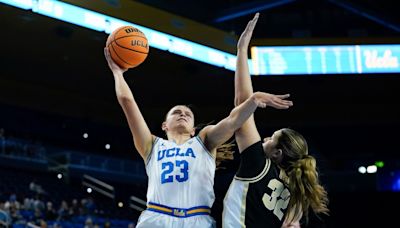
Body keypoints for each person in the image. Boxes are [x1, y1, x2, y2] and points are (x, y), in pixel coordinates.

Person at [104, 47, 292, 228]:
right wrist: (117, 73)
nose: (183, 114)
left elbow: (234, 121)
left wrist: (253, 100)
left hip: (197, 219)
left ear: (193, 129)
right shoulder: (151, 145)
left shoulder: (204, 140)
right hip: (156, 217)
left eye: (188, 114)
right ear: (164, 125)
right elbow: (128, 102)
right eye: (176, 112)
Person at [222, 13, 329, 228]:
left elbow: (241, 106)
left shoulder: (258, 166)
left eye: (271, 138)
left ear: (277, 153)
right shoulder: (295, 194)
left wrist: (242, 51)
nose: (264, 138)